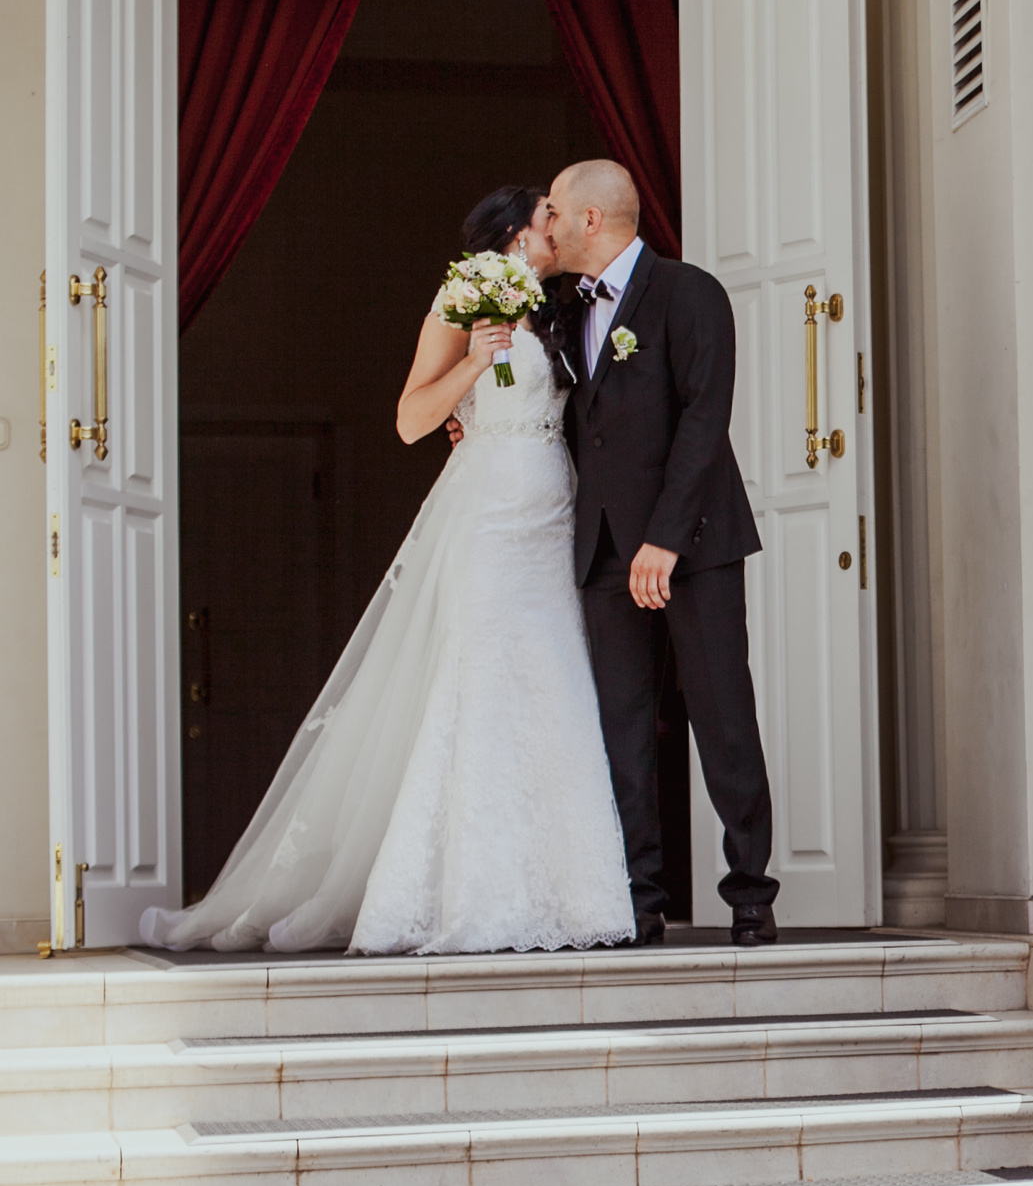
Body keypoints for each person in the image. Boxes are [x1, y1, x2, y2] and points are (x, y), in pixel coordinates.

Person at [140, 187, 634, 954]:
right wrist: (474, 365)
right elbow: (410, 420)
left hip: (551, 525)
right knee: (481, 690)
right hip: (491, 524)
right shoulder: (461, 299)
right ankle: (471, 893)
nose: (558, 227)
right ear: (511, 234)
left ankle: (570, 894)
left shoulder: (556, 308)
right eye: (545, 217)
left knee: (554, 687)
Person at [547, 160, 780, 947]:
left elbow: (703, 422)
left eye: (555, 209)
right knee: (622, 728)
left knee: (722, 715)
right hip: (605, 549)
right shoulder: (561, 311)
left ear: (590, 220)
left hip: (695, 544)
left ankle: (750, 892)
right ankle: (639, 898)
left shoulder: (691, 295)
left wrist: (666, 540)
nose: (545, 224)